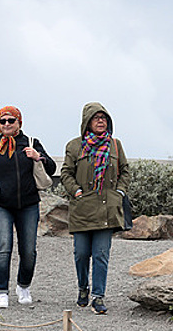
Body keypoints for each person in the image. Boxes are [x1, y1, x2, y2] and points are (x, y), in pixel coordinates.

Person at [0, 106, 56, 308]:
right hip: (0, 205)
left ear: (19, 122)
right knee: (3, 247)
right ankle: (1, 292)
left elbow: (52, 168)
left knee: (29, 251)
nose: (6, 124)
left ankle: (23, 285)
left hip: (28, 204)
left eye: (11, 120)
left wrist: (38, 157)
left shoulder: (31, 143)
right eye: (2, 121)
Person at [60, 102, 130, 315]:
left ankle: (98, 296)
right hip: (82, 208)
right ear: (87, 122)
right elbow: (65, 173)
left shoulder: (115, 145)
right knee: (81, 254)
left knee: (101, 254)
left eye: (104, 117)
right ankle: (83, 288)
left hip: (106, 208)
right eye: (96, 117)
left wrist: (119, 192)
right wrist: (76, 191)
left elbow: (125, 171)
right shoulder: (75, 146)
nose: (101, 120)